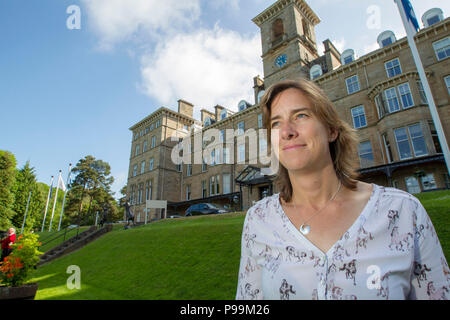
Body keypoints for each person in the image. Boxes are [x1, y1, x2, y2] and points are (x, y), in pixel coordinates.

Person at [236, 79, 449, 300]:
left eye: (301, 116)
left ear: (331, 130)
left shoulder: (403, 211)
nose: (287, 132)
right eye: (276, 123)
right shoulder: (259, 220)